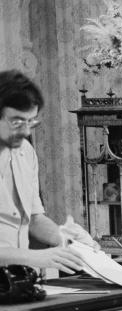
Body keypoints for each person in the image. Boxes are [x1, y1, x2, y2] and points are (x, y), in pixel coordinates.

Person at [0, 70, 92, 272]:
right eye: (16, 122)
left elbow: (34, 219)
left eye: (30, 121)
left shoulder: (25, 151)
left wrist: (66, 239)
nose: (25, 131)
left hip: (15, 282)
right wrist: (35, 257)